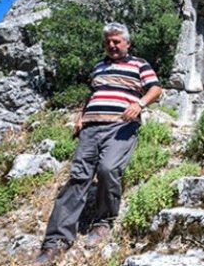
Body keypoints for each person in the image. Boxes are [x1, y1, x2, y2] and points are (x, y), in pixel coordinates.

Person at [33, 22, 162, 265]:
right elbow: (93, 94)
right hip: (90, 128)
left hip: (121, 126)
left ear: (127, 43)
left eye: (116, 41)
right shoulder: (99, 66)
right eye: (108, 42)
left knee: (108, 169)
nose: (112, 46)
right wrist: (81, 117)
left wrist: (139, 104)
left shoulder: (139, 64)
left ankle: (103, 223)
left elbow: (155, 88)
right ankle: (55, 243)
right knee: (78, 178)